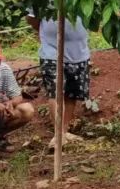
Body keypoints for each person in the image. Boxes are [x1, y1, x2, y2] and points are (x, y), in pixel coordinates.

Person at [26, 10, 91, 146]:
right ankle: (58, 134)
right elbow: (32, 18)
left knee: (72, 94)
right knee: (55, 92)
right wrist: (47, 32)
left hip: (79, 52)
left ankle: (64, 131)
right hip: (51, 51)